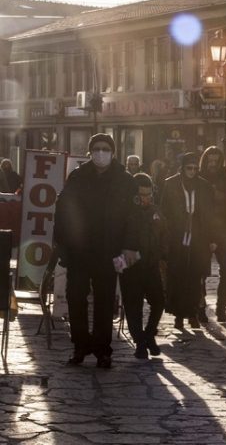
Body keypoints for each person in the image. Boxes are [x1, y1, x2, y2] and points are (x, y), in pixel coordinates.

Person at [54, 133, 140, 368]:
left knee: (104, 302)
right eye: (97, 149)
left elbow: (134, 218)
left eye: (105, 149)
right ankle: (80, 345)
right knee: (75, 298)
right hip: (79, 251)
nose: (101, 153)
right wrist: (61, 244)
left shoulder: (125, 180)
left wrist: (130, 246)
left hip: (109, 252)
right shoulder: (78, 177)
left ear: (112, 152)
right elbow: (62, 211)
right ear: (90, 152)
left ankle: (103, 350)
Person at [160, 153, 214, 329]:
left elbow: (211, 215)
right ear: (182, 168)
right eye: (189, 168)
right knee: (177, 276)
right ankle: (178, 315)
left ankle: (193, 313)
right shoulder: (171, 184)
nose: (192, 171)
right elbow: (164, 211)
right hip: (177, 237)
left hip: (198, 238)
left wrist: (212, 238)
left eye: (195, 168)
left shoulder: (204, 186)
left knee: (195, 277)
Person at [121, 173, 168, 359]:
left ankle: (149, 335)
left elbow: (165, 234)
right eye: (142, 195)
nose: (145, 199)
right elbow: (115, 237)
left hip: (151, 265)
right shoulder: (125, 212)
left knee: (159, 302)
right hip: (130, 266)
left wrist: (163, 256)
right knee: (133, 307)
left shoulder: (156, 212)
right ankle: (140, 343)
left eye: (148, 195)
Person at [199, 146, 226, 323]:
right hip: (203, 231)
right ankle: (200, 307)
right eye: (210, 160)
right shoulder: (199, 176)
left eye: (216, 160)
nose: (213, 164)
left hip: (224, 230)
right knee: (201, 272)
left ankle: (222, 308)